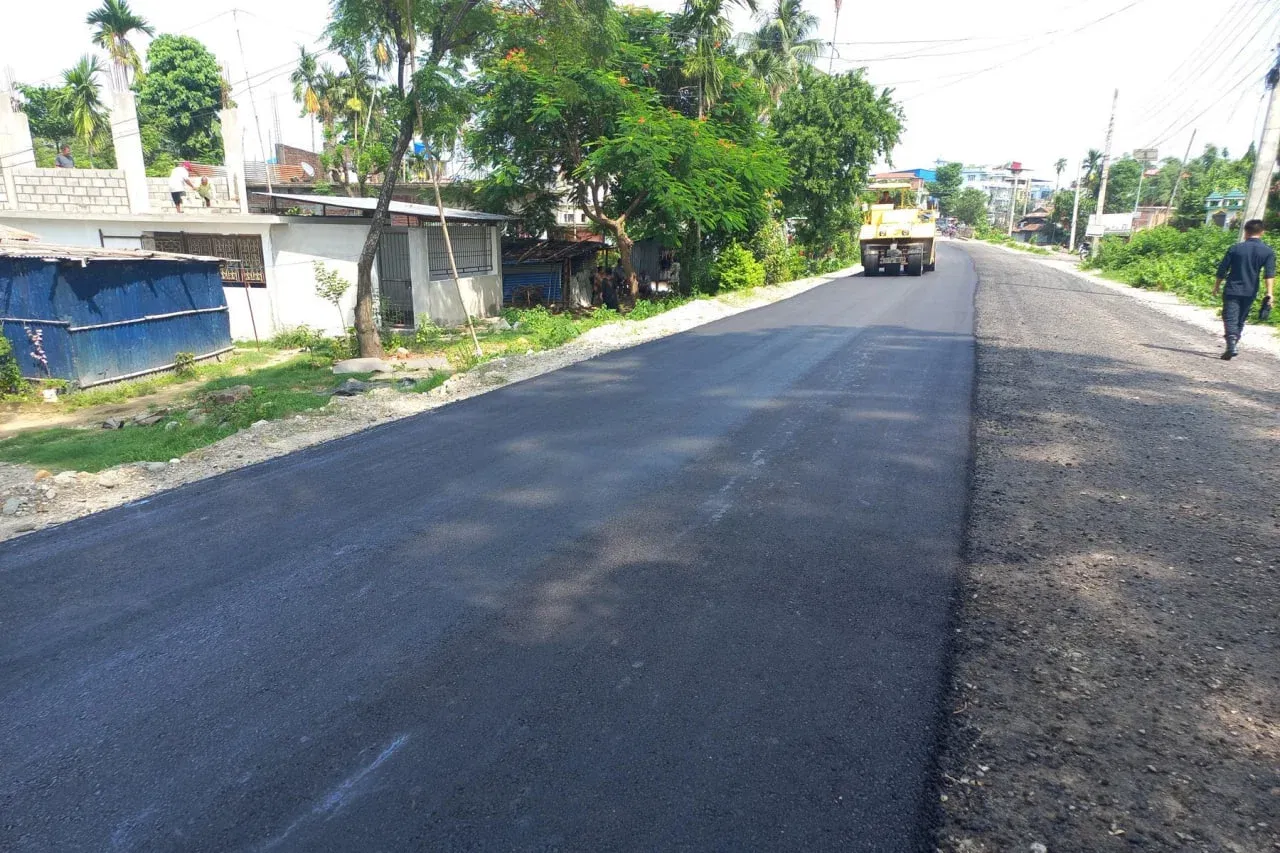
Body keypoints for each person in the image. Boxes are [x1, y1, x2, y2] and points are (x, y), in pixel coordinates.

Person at [1212, 218, 1275, 360]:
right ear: (1262, 232)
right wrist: (1269, 293)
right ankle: (1233, 344)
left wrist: (1216, 286)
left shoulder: (1235, 248)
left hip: (1232, 289)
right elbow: (1269, 274)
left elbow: (1222, 269)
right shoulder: (1267, 251)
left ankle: (1231, 344)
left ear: (1245, 232)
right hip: (1250, 290)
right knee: (1241, 318)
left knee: (1230, 317)